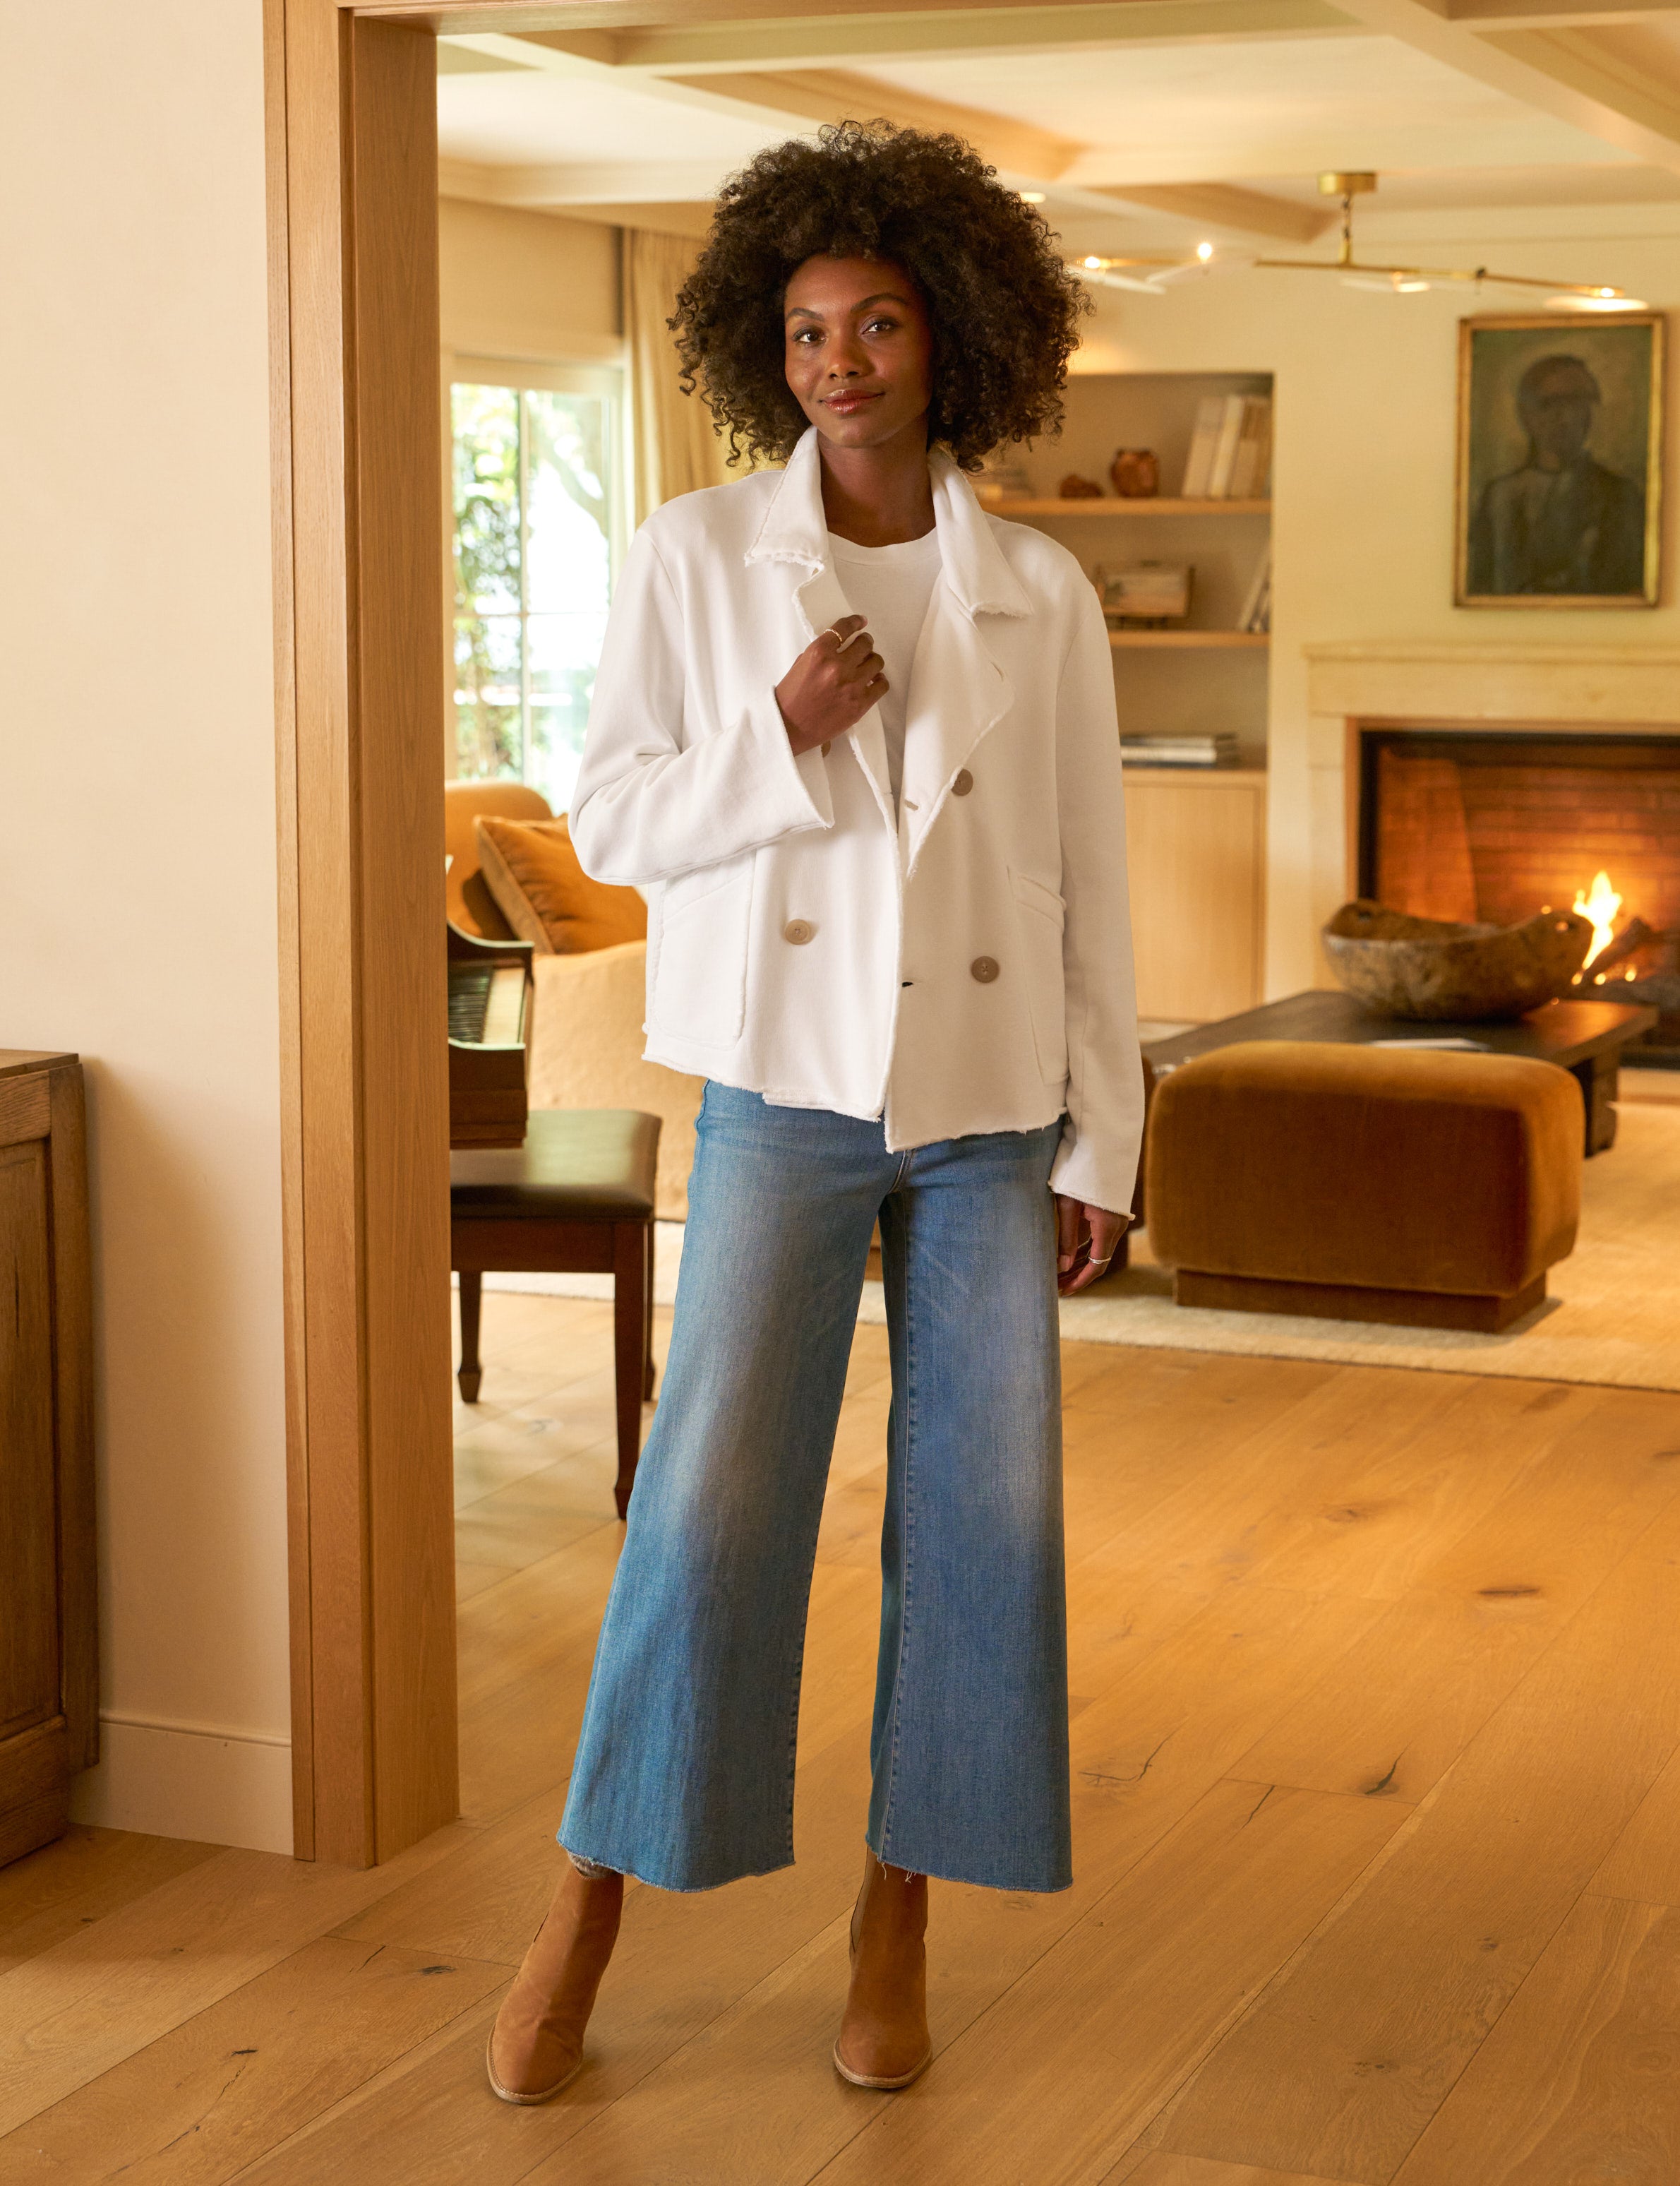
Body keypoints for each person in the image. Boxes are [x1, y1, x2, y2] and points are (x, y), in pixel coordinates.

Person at [484, 119, 1144, 2106]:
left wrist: (1100, 1142)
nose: (836, 359)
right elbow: (608, 817)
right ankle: (586, 1904)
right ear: (762, 346)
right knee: (708, 1508)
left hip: (983, 1108)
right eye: (801, 329)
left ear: (952, 339)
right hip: (780, 1088)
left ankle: (896, 1912)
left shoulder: (1036, 589)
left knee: (981, 1528)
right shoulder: (698, 559)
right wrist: (776, 740)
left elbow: (1082, 887)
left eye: (872, 323)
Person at [1468, 352, 1646, 597]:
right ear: (1526, 414)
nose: (1567, 418)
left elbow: (1632, 585)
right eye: (1551, 404)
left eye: (1578, 404)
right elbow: (1482, 583)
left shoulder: (1619, 495)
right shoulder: (1499, 495)